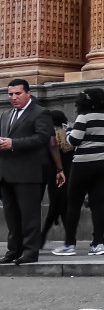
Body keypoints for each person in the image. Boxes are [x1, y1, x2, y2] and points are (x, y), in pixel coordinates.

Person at [51, 88, 104, 258]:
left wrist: (68, 132)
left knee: (73, 204)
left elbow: (73, 141)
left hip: (83, 165)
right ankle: (98, 244)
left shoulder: (84, 117)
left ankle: (70, 244)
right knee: (98, 205)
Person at [0, 79, 55, 265]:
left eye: (18, 93)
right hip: (6, 173)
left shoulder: (40, 113)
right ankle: (13, 250)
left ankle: (30, 252)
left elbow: (42, 138)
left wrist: (14, 143)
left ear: (28, 93)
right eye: (10, 94)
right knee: (11, 215)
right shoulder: (6, 114)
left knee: (29, 214)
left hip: (29, 173)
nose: (13, 97)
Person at [40, 109, 73, 249]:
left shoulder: (51, 136)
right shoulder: (69, 135)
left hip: (55, 175)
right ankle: (69, 238)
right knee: (61, 206)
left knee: (56, 206)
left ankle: (43, 238)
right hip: (68, 175)